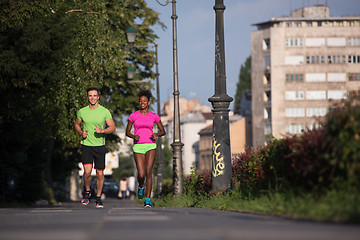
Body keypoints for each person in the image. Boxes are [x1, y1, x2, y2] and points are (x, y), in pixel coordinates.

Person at [75, 87, 115, 208]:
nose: (92, 98)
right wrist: (81, 133)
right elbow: (77, 124)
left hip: (100, 146)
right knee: (87, 172)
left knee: (100, 174)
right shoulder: (82, 111)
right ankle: (87, 191)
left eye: (94, 95)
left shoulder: (104, 111)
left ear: (98, 97)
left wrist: (102, 130)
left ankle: (98, 198)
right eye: (90, 96)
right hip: (86, 145)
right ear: (87, 97)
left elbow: (112, 127)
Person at [126, 90, 166, 208]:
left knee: (149, 172)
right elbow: (127, 132)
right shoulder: (133, 115)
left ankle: (147, 199)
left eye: (144, 101)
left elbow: (163, 131)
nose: (142, 103)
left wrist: (156, 135)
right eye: (140, 101)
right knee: (141, 174)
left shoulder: (154, 116)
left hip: (151, 145)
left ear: (148, 103)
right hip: (138, 146)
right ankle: (141, 185)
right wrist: (134, 136)